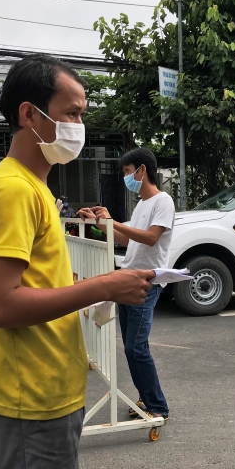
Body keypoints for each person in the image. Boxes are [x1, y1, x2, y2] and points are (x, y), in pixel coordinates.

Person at [0, 54, 156, 469]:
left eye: (81, 113)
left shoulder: (37, 189)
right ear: (31, 115)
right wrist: (103, 288)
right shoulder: (11, 191)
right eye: (70, 113)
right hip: (26, 405)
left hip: (49, 399)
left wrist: (86, 284)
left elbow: (33, 284)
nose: (79, 126)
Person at [78, 147, 174, 422]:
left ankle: (158, 407)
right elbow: (127, 241)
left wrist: (113, 221)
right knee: (132, 347)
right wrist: (99, 223)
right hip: (127, 278)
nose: (126, 178)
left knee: (136, 347)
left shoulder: (162, 201)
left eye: (127, 172)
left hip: (146, 282)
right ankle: (146, 397)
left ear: (143, 170)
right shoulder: (142, 204)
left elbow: (151, 238)